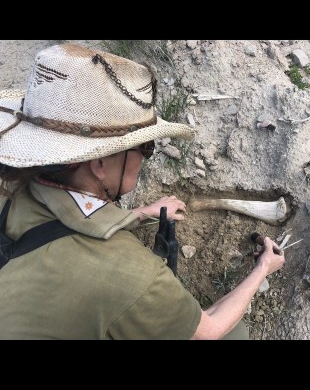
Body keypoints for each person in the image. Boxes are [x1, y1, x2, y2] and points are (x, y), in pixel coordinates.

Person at [0, 43, 285, 340]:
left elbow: (58, 221)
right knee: (234, 334)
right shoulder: (131, 274)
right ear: (100, 163)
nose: (145, 159)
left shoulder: (8, 187)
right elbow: (207, 331)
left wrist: (135, 215)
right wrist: (263, 268)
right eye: (144, 148)